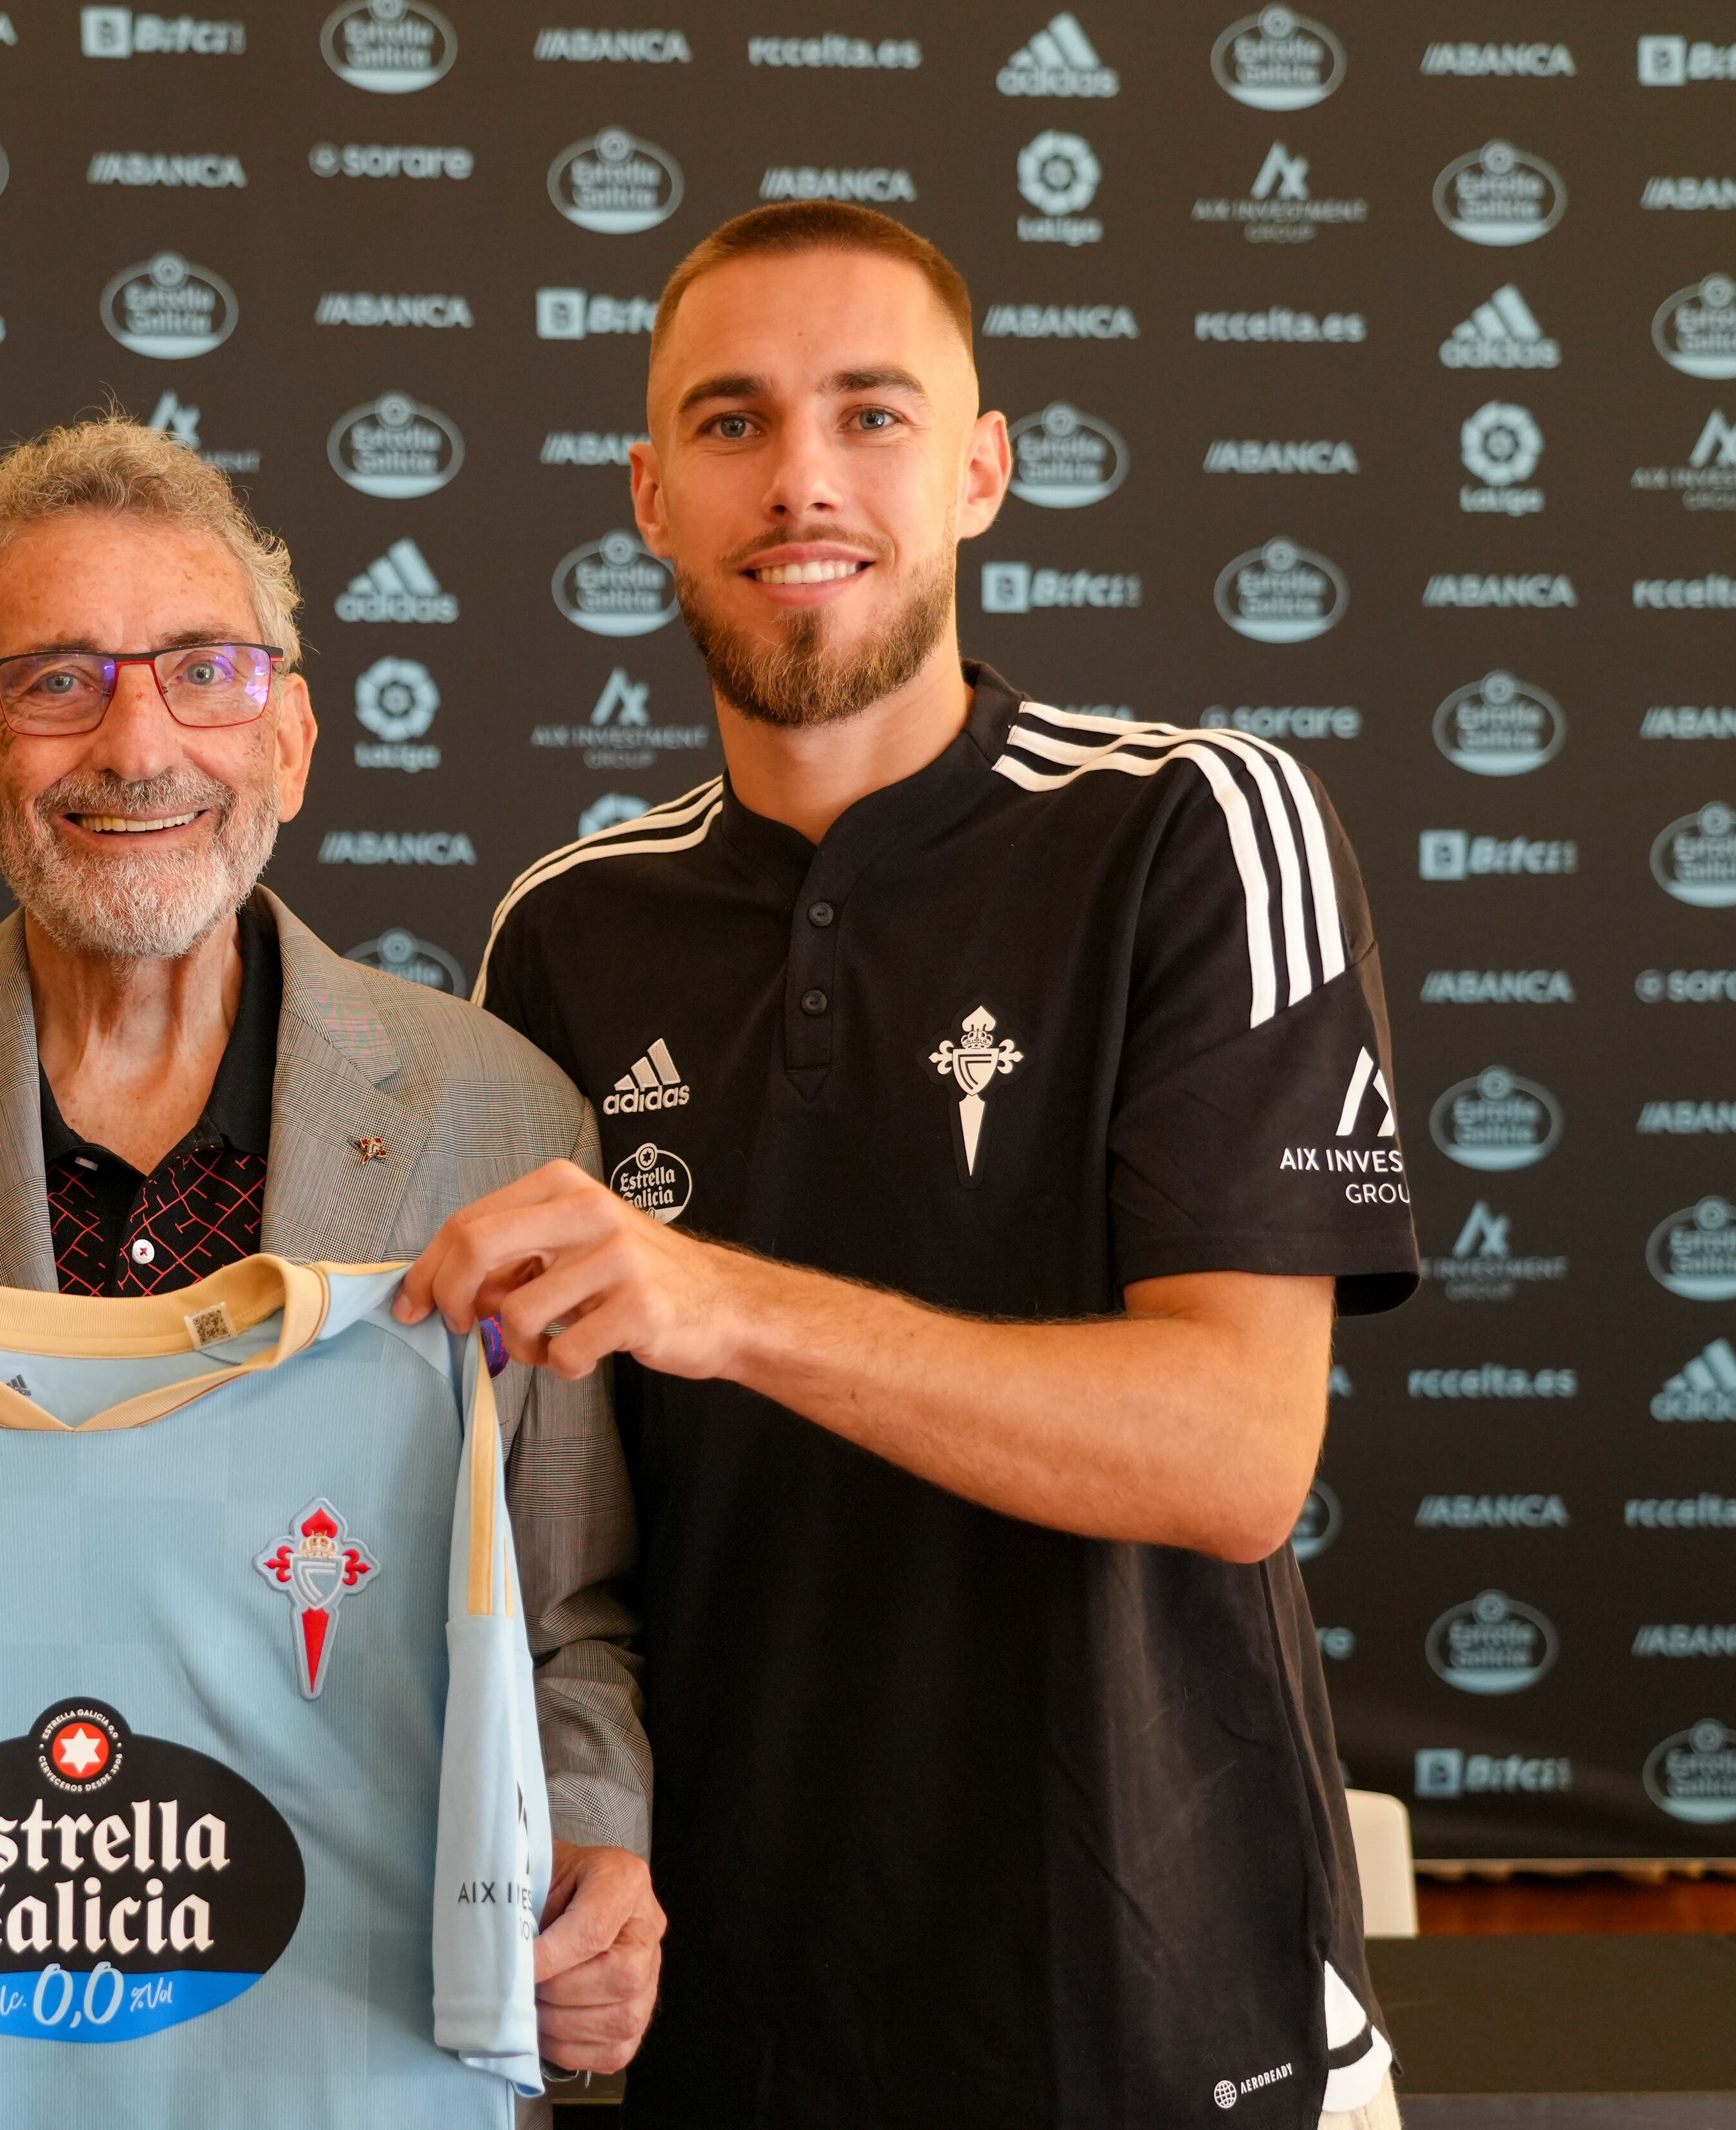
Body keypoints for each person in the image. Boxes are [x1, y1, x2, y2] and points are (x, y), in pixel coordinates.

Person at [402, 203, 1421, 2128]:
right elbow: (542, 1530)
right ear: (647, 491)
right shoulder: (562, 934)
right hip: (725, 2022)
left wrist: (729, 1306)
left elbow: (1234, 1453)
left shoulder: (1194, 827)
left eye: (872, 416)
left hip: (1158, 2010)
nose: (801, 480)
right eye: (730, 422)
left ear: (980, 468)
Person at [0, 415, 665, 2078]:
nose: (138, 743)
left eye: (204, 672)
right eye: (55, 679)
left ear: (289, 740)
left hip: (350, 2047)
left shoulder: (504, 1122)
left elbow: (566, 1608)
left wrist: (594, 1850)